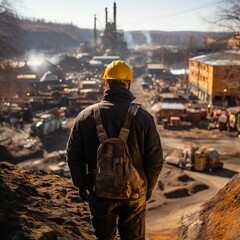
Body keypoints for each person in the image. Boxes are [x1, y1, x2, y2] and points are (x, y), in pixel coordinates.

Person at [66, 60, 163, 240]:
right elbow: (155, 160)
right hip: (134, 193)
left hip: (99, 192)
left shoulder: (85, 117)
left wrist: (81, 184)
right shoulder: (144, 118)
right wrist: (148, 187)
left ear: (106, 84)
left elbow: (73, 156)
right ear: (128, 84)